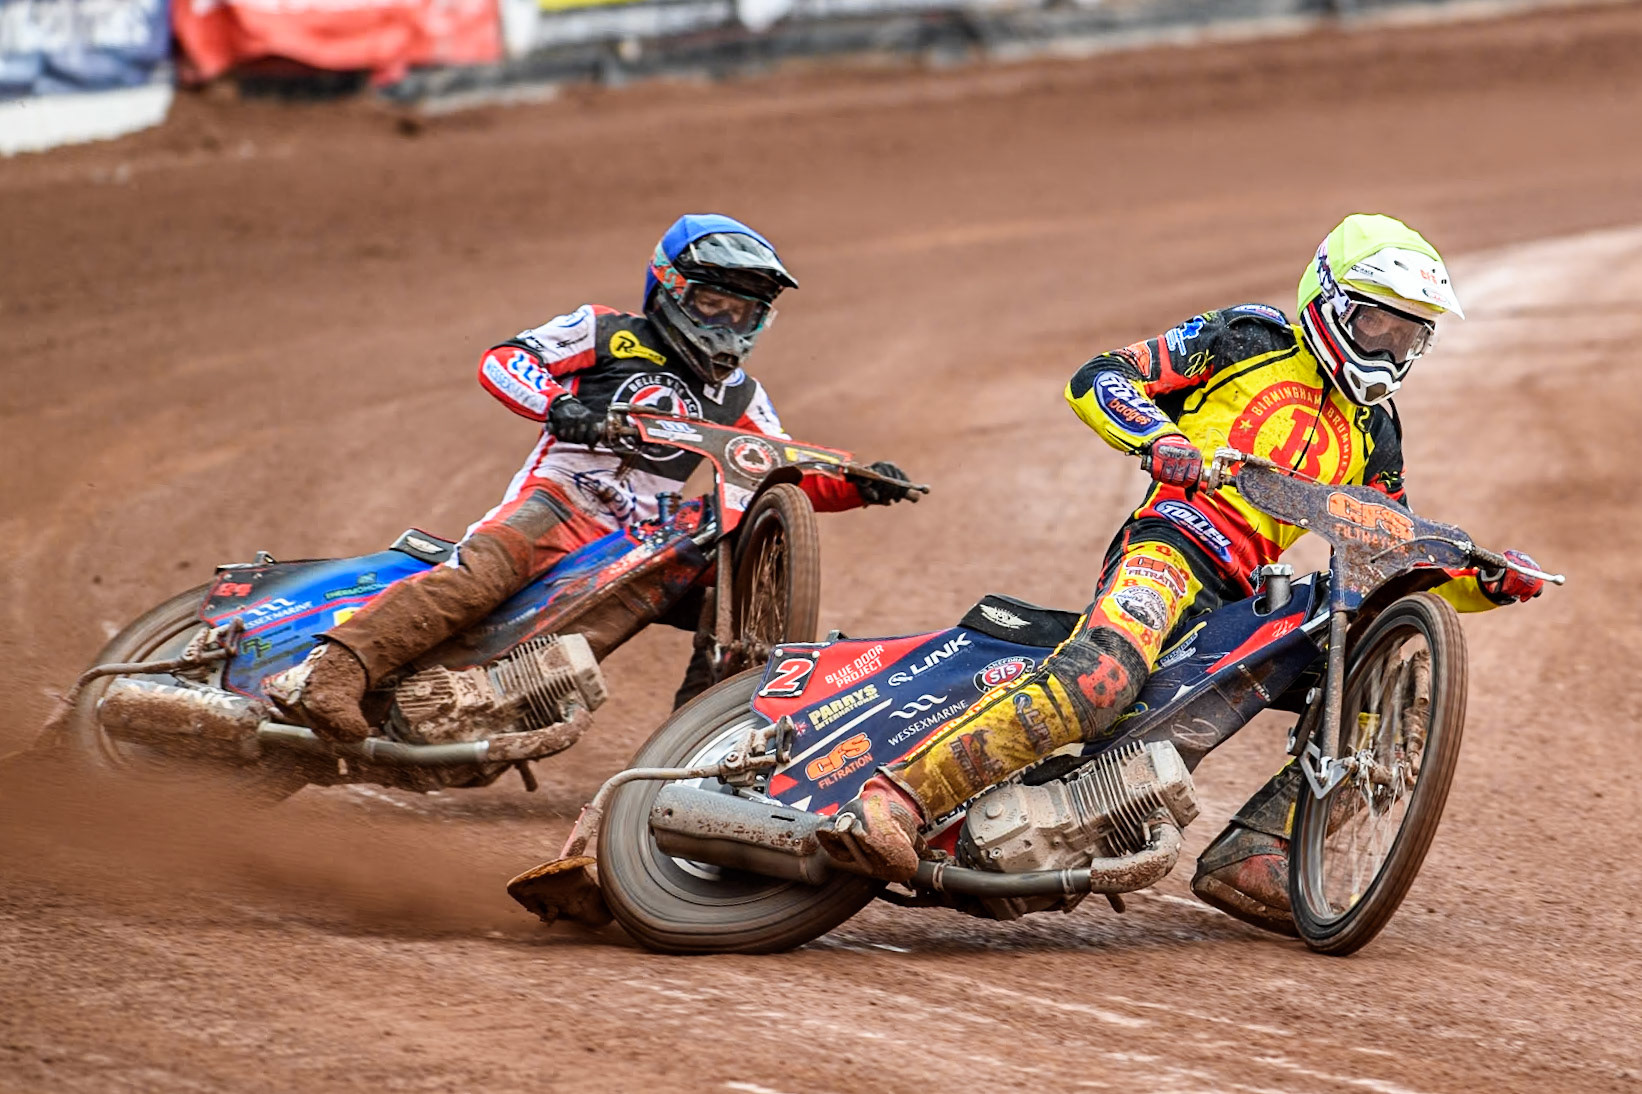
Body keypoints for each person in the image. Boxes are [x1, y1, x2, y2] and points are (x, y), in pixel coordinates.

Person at [816, 214, 1544, 934]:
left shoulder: (1376, 431)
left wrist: (1484, 578)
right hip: (1171, 543)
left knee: (1390, 687)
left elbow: (1390, 550)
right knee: (1101, 679)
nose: (1388, 349)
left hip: (1250, 592)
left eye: (1408, 335)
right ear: (1328, 302)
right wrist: (1159, 436)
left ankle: (1262, 848)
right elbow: (1100, 376)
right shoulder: (1250, 338)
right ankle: (897, 800)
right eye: (1377, 325)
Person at [273, 213, 914, 742]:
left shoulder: (743, 395)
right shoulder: (605, 330)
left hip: (640, 538)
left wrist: (858, 483)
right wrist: (561, 406)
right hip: (560, 501)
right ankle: (335, 671)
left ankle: (697, 743)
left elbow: (773, 467)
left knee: (736, 585)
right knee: (483, 576)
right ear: (669, 289)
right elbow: (505, 359)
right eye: (709, 302)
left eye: (741, 313)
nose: (723, 323)